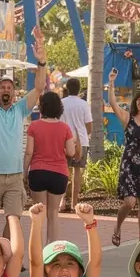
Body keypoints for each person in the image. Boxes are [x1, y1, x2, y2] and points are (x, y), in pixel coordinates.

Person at [0, 29, 47, 234]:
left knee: (13, 220)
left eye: (9, 87)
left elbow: (39, 87)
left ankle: (9, 259)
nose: (6, 89)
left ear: (14, 93)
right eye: (2, 87)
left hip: (14, 176)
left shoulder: (20, 109)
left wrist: (42, 61)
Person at [107, 71, 140, 246]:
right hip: (129, 163)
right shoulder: (128, 118)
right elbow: (113, 104)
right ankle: (118, 227)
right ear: (136, 102)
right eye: (139, 100)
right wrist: (111, 84)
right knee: (129, 202)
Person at [24, 91, 75, 243]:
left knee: (38, 213)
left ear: (42, 107)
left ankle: (37, 250)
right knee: (53, 214)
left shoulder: (34, 126)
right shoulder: (65, 128)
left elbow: (28, 152)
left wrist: (24, 172)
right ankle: (52, 249)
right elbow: (71, 152)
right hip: (59, 173)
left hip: (38, 171)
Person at [61, 77, 92, 211]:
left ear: (67, 88)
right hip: (82, 140)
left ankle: (62, 201)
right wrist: (85, 134)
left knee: (63, 171)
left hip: (65, 141)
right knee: (77, 171)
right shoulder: (84, 104)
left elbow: (59, 123)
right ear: (79, 89)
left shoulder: (61, 103)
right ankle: (74, 202)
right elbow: (89, 125)